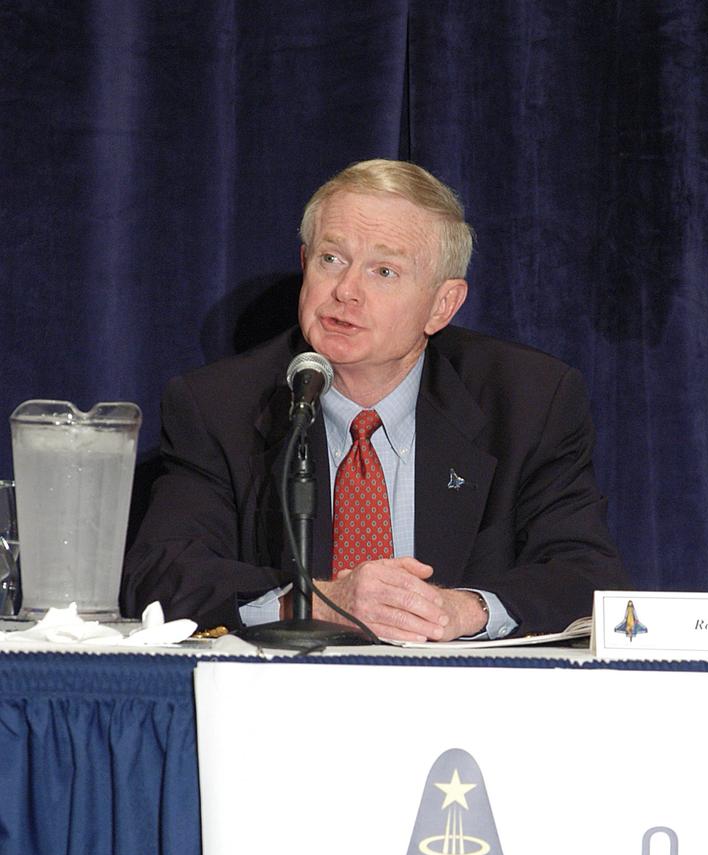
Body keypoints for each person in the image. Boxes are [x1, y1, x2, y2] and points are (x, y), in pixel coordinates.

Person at [122, 159, 627, 640]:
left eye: (383, 271)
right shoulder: (218, 404)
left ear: (442, 304)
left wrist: (462, 609)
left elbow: (586, 577)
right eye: (331, 259)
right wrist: (316, 602)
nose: (345, 291)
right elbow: (161, 578)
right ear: (305, 263)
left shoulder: (528, 399)